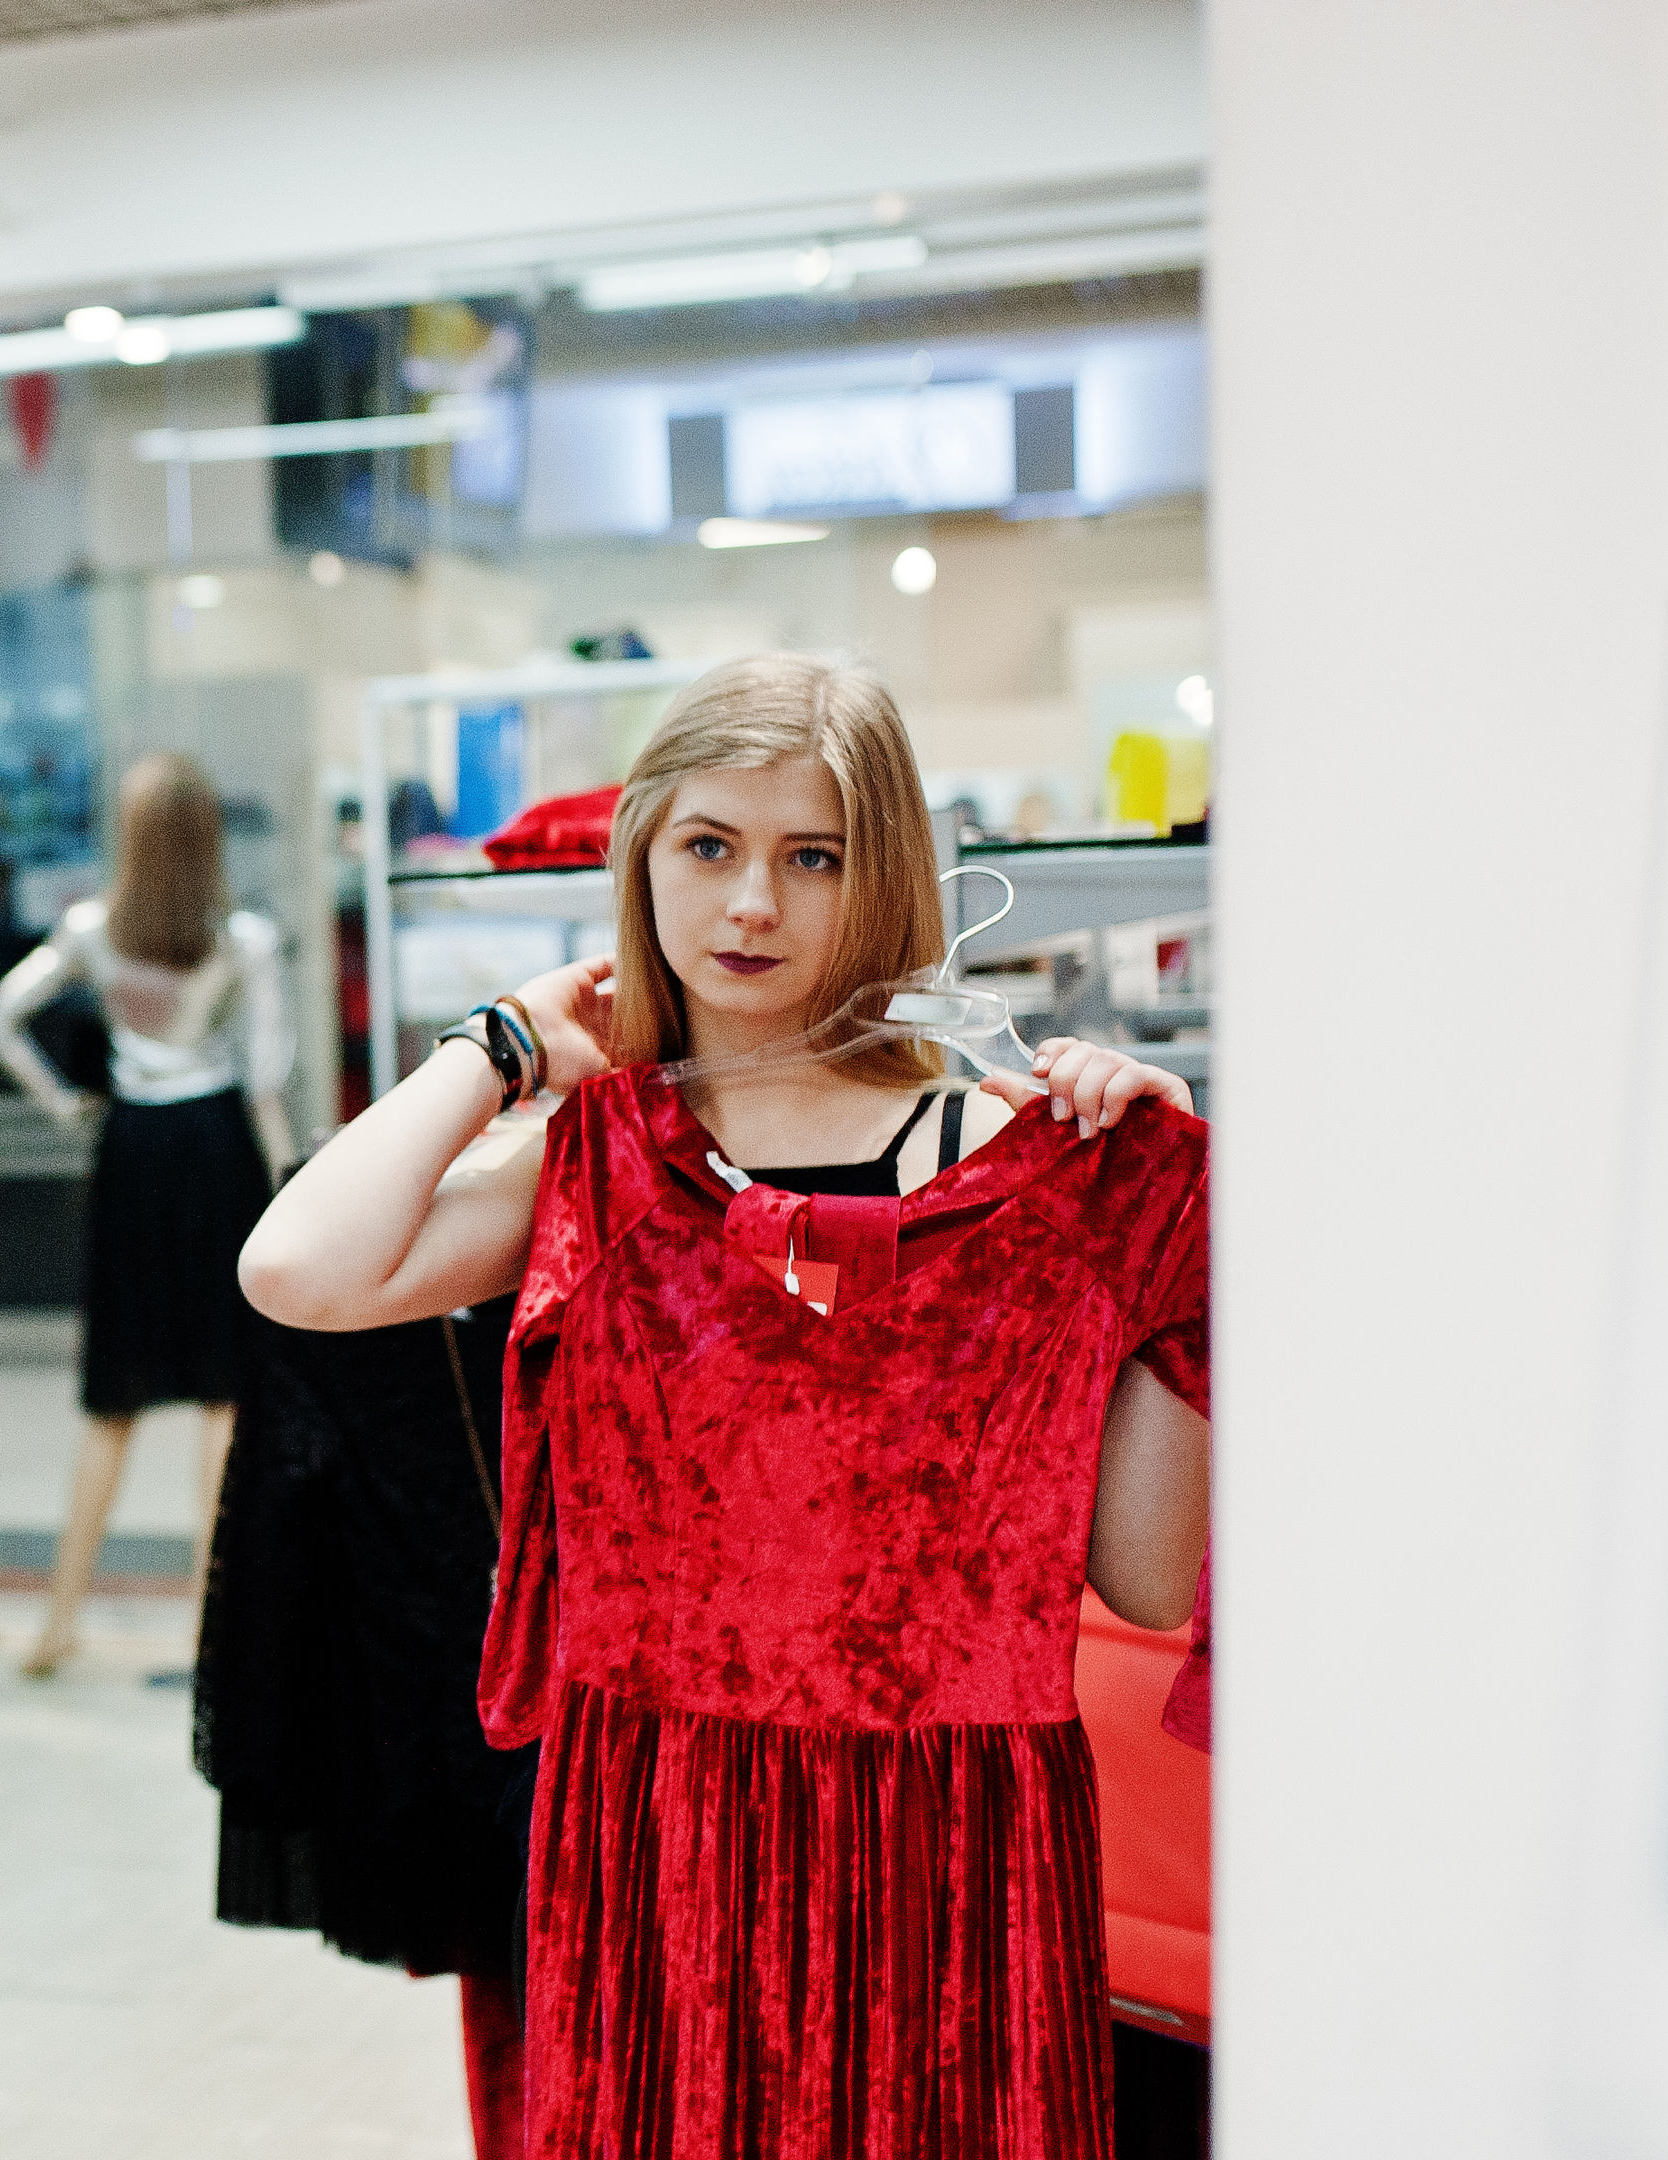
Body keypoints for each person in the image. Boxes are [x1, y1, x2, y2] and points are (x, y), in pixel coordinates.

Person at [238, 653, 1206, 2153]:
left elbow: (1142, 1574)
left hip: (955, 1859)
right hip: (665, 1841)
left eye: (811, 857)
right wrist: (500, 1047)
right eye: (710, 848)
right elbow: (297, 1268)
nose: (753, 906)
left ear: (878, 875)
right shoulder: (594, 1164)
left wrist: (1170, 1267)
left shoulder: (1038, 1167)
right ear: (643, 860)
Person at [0, 752, 293, 1680]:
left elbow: (1, 1018)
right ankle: (214, 1634)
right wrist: (286, 1194)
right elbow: (268, 1075)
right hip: (215, 1150)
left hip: (130, 1154)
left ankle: (59, 1621)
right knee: (223, 1399)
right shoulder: (242, 938)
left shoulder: (90, 929)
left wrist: (64, 1103)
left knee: (110, 1397)